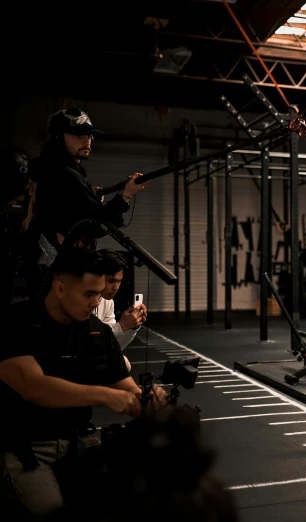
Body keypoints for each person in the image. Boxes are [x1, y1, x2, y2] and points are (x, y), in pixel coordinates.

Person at [0, 248, 167, 520]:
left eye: (99, 293)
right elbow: (34, 387)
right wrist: (103, 395)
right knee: (49, 511)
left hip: (79, 442)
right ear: (60, 288)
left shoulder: (97, 332)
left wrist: (148, 400)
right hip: (25, 447)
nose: (96, 301)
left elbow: (125, 388)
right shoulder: (16, 322)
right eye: (89, 294)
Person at [19, 107, 149, 299]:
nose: (87, 140)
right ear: (57, 137)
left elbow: (70, 209)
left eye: (89, 135)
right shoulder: (66, 174)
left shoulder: (47, 169)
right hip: (61, 270)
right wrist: (127, 194)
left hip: (44, 269)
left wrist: (88, 194)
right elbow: (99, 224)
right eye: (78, 135)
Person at [94, 249, 147, 371]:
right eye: (111, 281)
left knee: (123, 362)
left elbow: (114, 347)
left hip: (94, 357)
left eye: (119, 281)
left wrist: (132, 327)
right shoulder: (80, 301)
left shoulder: (108, 301)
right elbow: (88, 342)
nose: (116, 287)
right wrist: (122, 326)